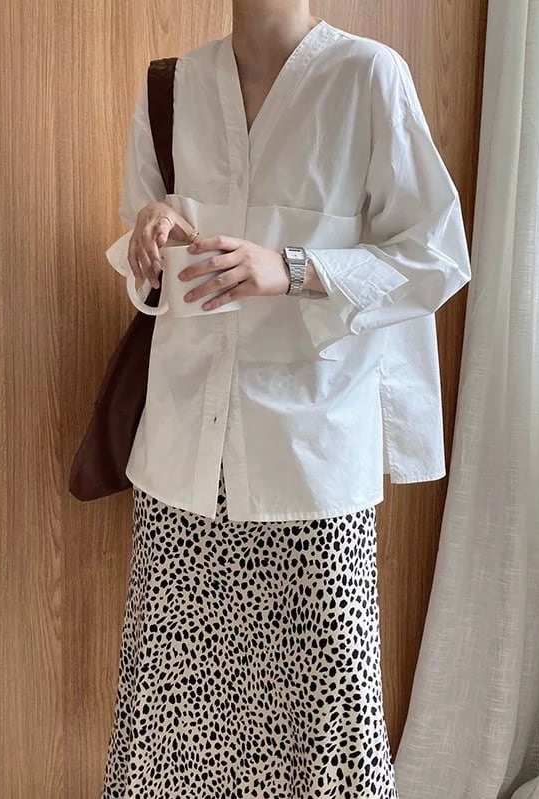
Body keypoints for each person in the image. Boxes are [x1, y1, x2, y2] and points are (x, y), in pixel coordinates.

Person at [101, 2, 471, 797]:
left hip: (309, 456)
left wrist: (294, 268)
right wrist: (148, 234)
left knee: (326, 723)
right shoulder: (172, 85)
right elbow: (147, 280)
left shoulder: (366, 77)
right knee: (172, 718)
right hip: (182, 458)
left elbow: (436, 254)